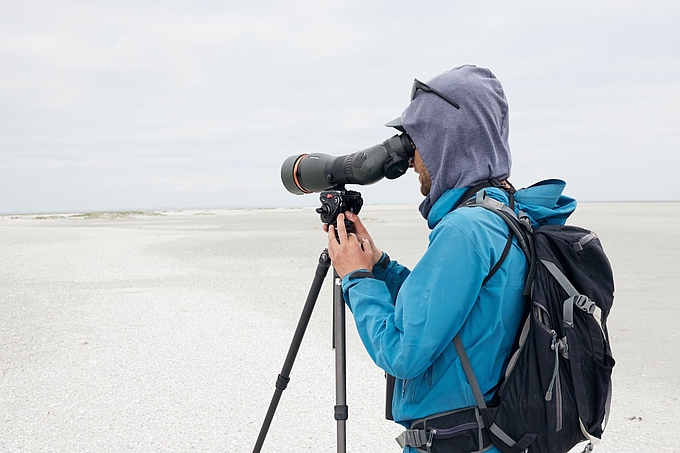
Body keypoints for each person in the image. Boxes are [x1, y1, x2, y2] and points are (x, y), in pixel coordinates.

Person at [325, 65, 577, 452]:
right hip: (491, 436)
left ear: (446, 141)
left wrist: (357, 280)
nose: (412, 161)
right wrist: (381, 267)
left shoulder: (465, 230)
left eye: (418, 142)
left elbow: (402, 352)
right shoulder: (503, 214)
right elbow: (456, 312)